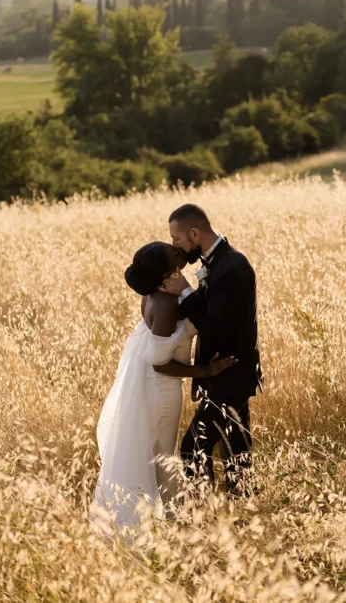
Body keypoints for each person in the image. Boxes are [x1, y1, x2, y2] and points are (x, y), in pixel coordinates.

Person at [91, 241, 237, 537]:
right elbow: (160, 363)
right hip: (160, 388)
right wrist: (205, 370)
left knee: (159, 454)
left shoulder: (157, 293)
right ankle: (167, 524)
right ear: (166, 270)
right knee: (163, 456)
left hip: (153, 384)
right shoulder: (167, 303)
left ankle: (166, 523)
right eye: (172, 252)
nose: (178, 250)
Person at [160, 204, 263, 496]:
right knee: (235, 449)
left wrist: (185, 292)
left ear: (194, 233)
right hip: (228, 374)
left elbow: (213, 326)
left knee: (192, 448)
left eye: (176, 238)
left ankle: (203, 513)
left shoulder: (231, 267)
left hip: (229, 375)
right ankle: (240, 508)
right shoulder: (218, 262)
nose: (174, 245)